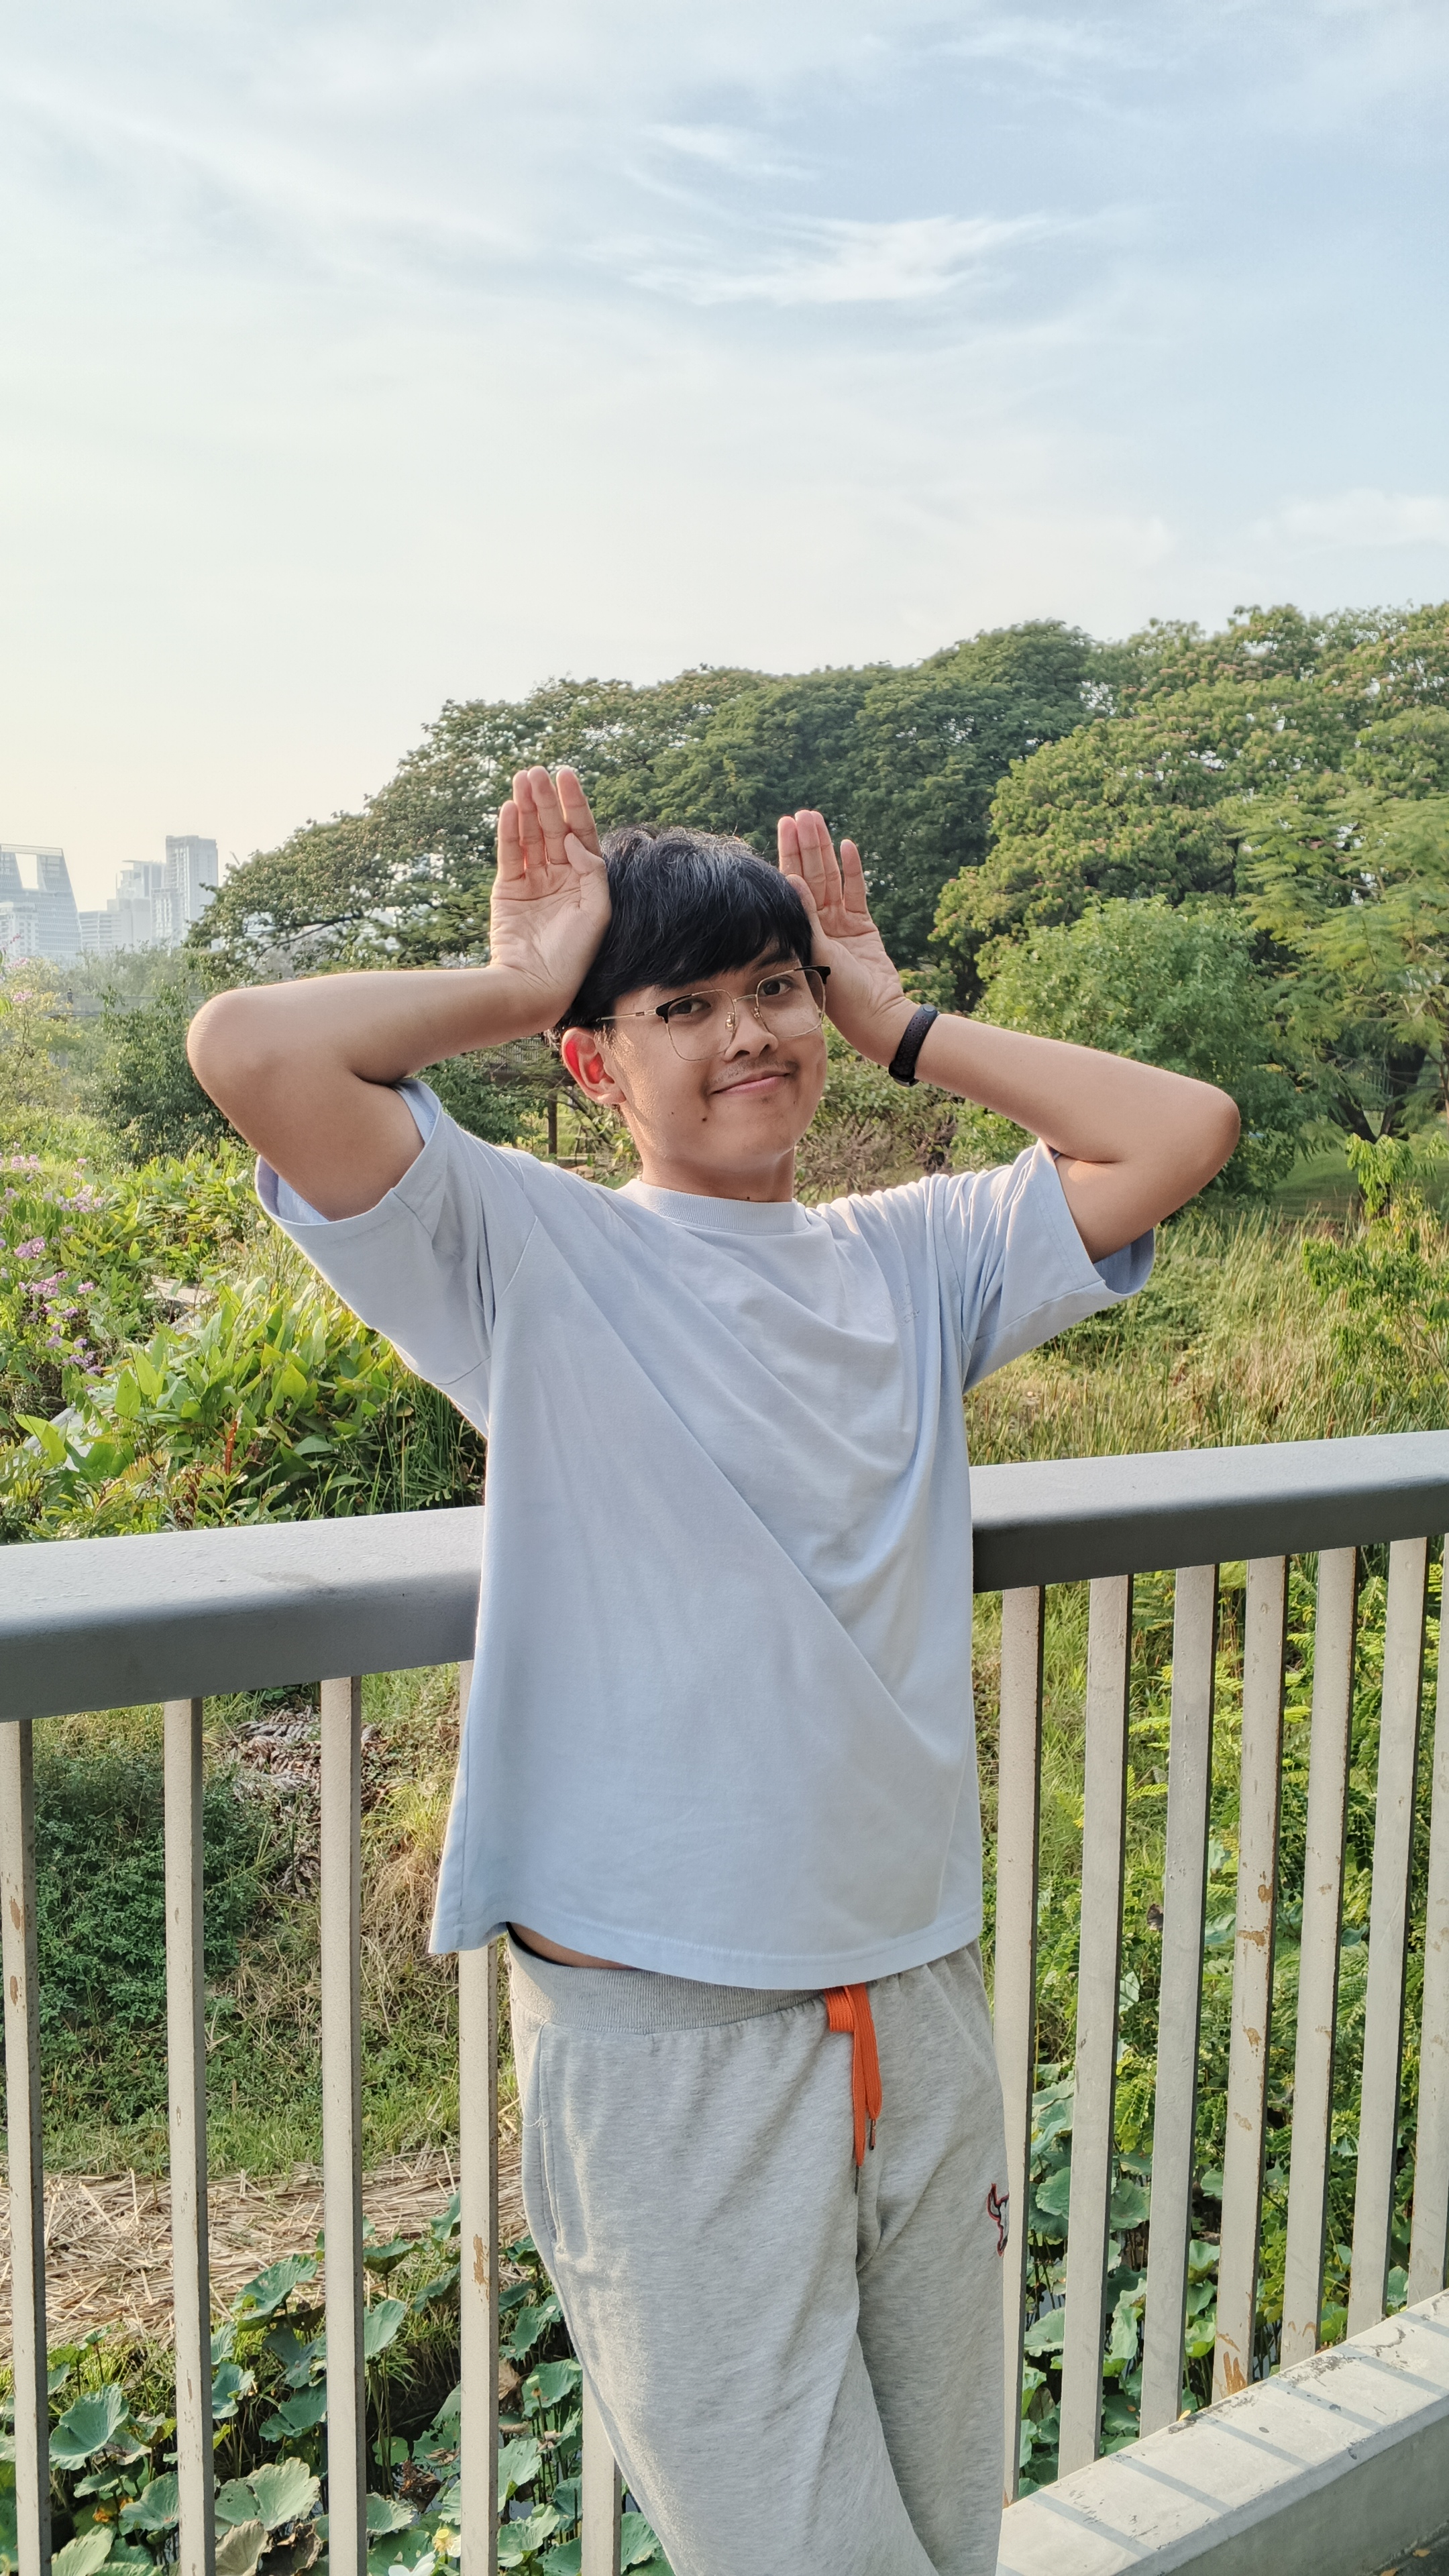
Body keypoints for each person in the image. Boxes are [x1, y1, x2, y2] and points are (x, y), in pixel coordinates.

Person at [189, 770, 1238, 2576]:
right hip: (667, 2024)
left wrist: (898, 1021)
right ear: (596, 1063)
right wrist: (524, 981)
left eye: (773, 989)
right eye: (682, 1005)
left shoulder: (917, 1257)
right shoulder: (526, 1244)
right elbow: (250, 1051)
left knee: (945, 2531)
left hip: (912, 1982)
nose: (749, 1034)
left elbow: (1182, 1127)